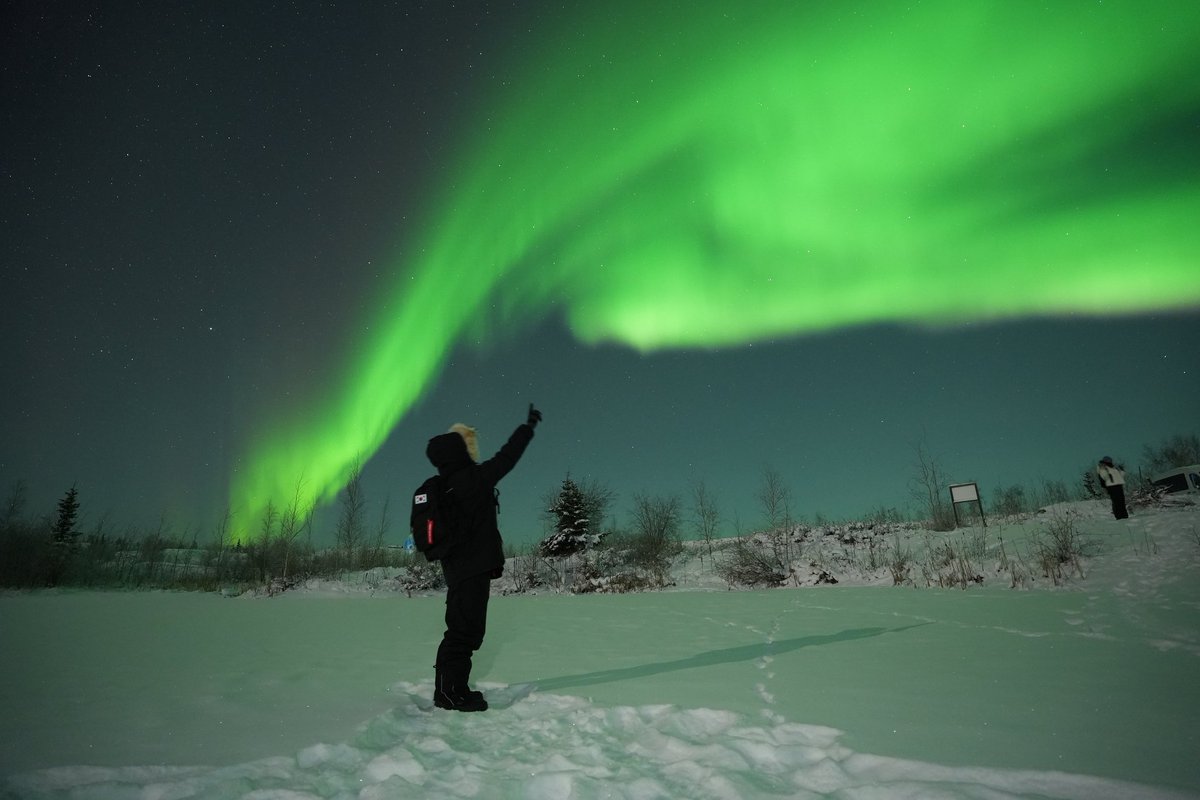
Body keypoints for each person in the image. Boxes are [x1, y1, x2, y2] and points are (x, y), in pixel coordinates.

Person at [424, 403, 542, 711]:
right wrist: (527, 427)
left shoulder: (442, 485)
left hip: (457, 569)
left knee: (463, 631)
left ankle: (450, 691)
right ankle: (450, 695)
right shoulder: (474, 479)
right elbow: (508, 456)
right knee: (464, 633)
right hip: (472, 568)